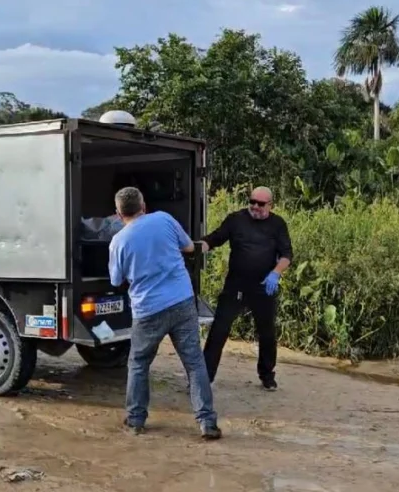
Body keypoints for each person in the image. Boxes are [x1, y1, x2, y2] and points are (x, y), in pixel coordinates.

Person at [108, 186, 222, 440]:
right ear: (143, 205)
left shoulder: (119, 241)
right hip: (182, 302)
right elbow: (189, 248)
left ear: (118, 214)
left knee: (138, 364)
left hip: (148, 311)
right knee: (194, 364)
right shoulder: (164, 219)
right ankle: (207, 423)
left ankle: (136, 420)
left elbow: (116, 280)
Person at [200, 186, 292, 391]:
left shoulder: (278, 224)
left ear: (270, 205)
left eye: (260, 204)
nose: (255, 207)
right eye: (252, 202)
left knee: (267, 332)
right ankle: (205, 376)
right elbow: (214, 239)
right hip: (236, 285)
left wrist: (275, 273)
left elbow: (287, 255)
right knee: (219, 329)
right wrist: (197, 247)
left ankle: (267, 375)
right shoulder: (236, 219)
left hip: (263, 287)